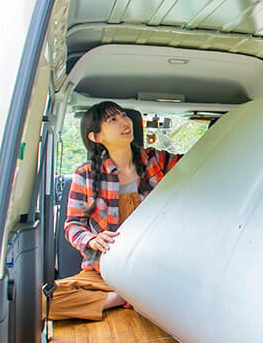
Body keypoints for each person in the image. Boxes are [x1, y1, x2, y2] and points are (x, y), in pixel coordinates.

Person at [48, 101, 180, 321]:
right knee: (46, 303)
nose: (124, 122)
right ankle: (121, 297)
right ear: (96, 137)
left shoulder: (157, 159)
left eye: (122, 115)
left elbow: (199, 164)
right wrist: (92, 239)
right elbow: (72, 225)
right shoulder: (86, 174)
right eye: (112, 120)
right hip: (104, 270)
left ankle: (133, 295)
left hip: (152, 265)